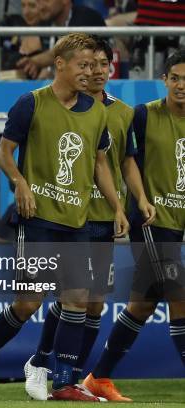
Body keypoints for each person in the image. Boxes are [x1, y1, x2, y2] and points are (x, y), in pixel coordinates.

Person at [0, 33, 129, 402]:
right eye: (82, 65)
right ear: (60, 65)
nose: (89, 72)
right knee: (28, 303)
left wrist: (117, 206)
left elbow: (100, 163)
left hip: (77, 222)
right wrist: (20, 182)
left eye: (94, 65)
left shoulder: (97, 110)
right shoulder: (31, 103)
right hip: (38, 219)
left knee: (76, 299)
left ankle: (62, 383)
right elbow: (3, 153)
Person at [22, 36, 156, 401]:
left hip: (106, 218)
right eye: (90, 63)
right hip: (75, 216)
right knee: (70, 298)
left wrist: (137, 199)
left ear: (111, 68)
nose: (96, 71)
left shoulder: (124, 112)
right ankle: (42, 363)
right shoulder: (58, 105)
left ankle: (74, 377)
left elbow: (126, 162)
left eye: (103, 64)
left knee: (94, 302)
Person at [82, 48, 185, 402]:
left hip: (180, 222)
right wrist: (138, 202)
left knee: (142, 305)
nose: (181, 86)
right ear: (165, 80)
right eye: (175, 78)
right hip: (152, 220)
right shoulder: (143, 116)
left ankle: (99, 377)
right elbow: (127, 162)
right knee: (179, 294)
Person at [17, 0, 105, 79]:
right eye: (39, 1)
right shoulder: (45, 22)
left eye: (46, 0)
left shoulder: (87, 17)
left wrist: (37, 61)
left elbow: (70, 49)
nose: (41, 6)